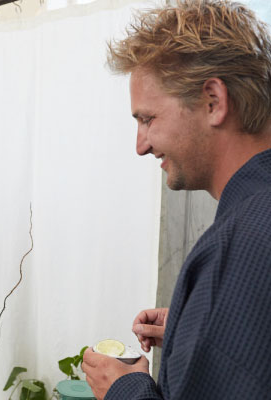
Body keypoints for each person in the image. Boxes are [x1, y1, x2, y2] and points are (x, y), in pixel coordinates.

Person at [81, 0, 271, 398]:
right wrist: (199, 328)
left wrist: (125, 388)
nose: (141, 146)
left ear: (213, 102)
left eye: (148, 119)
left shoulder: (236, 247)